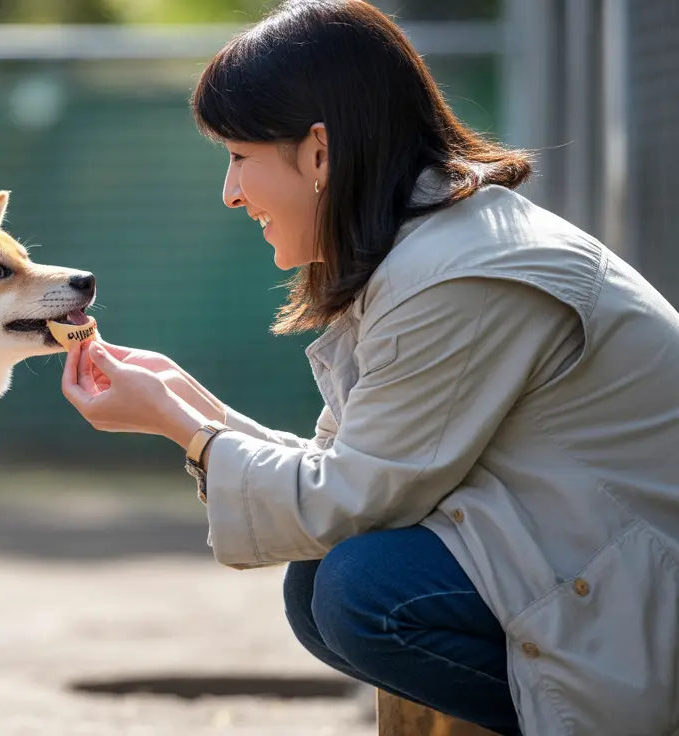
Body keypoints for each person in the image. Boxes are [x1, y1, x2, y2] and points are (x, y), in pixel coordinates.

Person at [60, 1, 679, 734]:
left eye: (238, 156)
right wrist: (189, 407)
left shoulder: (460, 277)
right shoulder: (428, 250)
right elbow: (353, 470)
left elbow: (353, 497)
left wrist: (181, 429)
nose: (230, 192)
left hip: (645, 592)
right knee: (322, 582)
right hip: (585, 555)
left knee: (362, 590)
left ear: (319, 153)